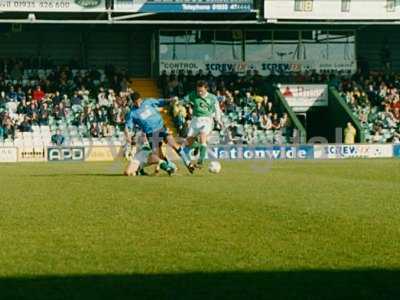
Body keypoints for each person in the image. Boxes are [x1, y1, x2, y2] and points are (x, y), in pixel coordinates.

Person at [124, 92, 194, 175]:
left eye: (138, 101)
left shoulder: (148, 102)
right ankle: (169, 167)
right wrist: (128, 135)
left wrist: (171, 100)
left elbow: (161, 101)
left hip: (161, 128)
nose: (138, 104)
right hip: (151, 134)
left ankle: (188, 163)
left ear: (140, 99)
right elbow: (128, 126)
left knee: (173, 144)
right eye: (135, 102)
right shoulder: (132, 113)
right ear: (133, 102)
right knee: (158, 156)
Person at [181, 80, 222, 168]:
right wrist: (179, 102)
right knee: (188, 142)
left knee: (203, 136)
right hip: (195, 120)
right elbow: (184, 100)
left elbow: (217, 109)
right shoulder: (193, 95)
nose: (199, 93)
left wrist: (218, 120)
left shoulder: (212, 98)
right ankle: (197, 147)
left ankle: (200, 160)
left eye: (201, 91)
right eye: (198, 91)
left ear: (206, 89)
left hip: (207, 120)